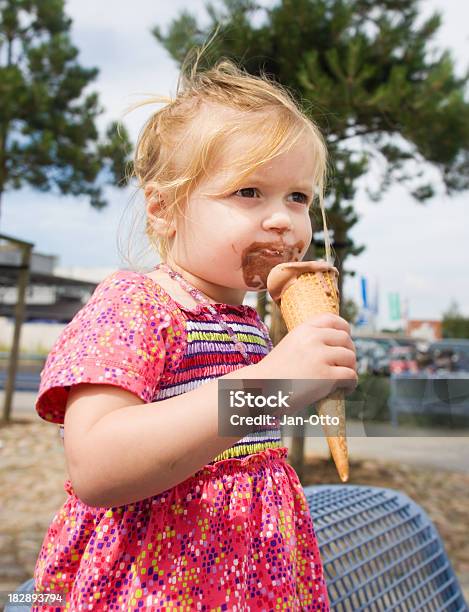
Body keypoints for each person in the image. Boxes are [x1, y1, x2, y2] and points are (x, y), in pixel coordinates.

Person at [32, 50, 357, 611]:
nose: (283, 218)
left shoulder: (250, 325)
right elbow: (97, 465)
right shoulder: (137, 305)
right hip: (153, 585)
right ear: (164, 210)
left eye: (298, 197)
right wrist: (270, 386)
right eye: (249, 192)